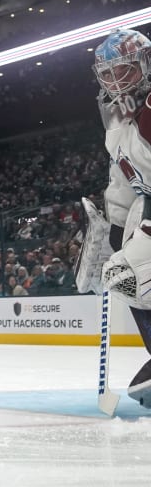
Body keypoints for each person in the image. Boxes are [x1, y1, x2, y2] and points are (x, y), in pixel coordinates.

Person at [79, 28, 151, 409]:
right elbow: (123, 177)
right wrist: (116, 228)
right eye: (107, 74)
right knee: (124, 276)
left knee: (135, 271)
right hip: (146, 204)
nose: (116, 80)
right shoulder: (116, 117)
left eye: (124, 70)